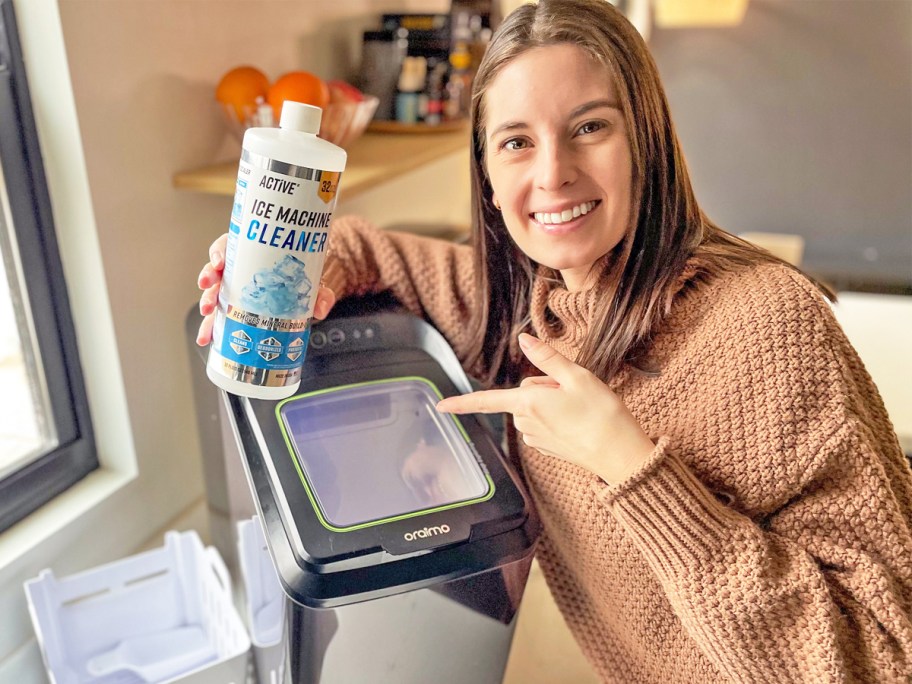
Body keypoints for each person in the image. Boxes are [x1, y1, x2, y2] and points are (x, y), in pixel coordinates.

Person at [197, 0, 912, 680]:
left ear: (648, 138)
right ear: (486, 173)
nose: (551, 174)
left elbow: (885, 660)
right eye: (515, 142)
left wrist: (627, 462)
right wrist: (309, 262)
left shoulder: (768, 325)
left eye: (590, 128)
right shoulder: (531, 306)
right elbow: (384, 256)